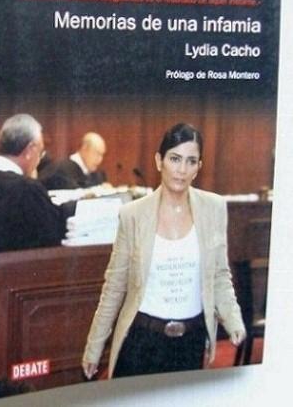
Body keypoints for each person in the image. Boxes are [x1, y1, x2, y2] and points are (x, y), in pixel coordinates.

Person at [82, 123, 245, 379]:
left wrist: (233, 319)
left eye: (191, 161)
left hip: (190, 343)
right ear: (159, 161)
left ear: (198, 167)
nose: (182, 169)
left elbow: (219, 275)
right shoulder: (133, 214)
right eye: (175, 159)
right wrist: (94, 346)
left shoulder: (213, 208)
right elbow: (114, 287)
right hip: (141, 341)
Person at [0, 114, 66, 252]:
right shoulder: (27, 189)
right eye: (41, 151)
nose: (39, 158)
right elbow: (53, 237)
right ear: (30, 149)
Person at [39, 132, 107, 190]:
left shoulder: (97, 175)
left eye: (102, 155)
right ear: (84, 148)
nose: (100, 159)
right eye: (97, 153)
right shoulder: (61, 170)